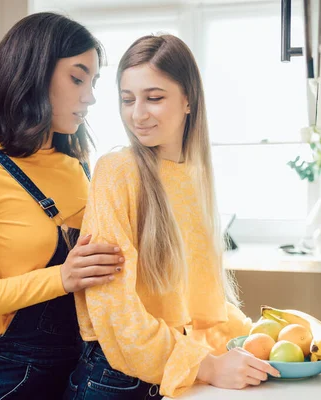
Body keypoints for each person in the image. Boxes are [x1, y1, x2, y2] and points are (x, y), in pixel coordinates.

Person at [65, 34, 280, 400]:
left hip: (172, 370)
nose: (138, 114)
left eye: (154, 98)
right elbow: (114, 309)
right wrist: (208, 366)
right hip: (117, 380)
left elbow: (195, 297)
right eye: (128, 99)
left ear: (188, 101)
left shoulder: (194, 175)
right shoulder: (117, 171)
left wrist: (261, 333)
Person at [0, 13, 123, 399]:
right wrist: (60, 278)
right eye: (78, 78)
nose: (91, 96)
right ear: (33, 73)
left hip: (80, 372)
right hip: (9, 379)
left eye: (93, 81)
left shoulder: (80, 166)